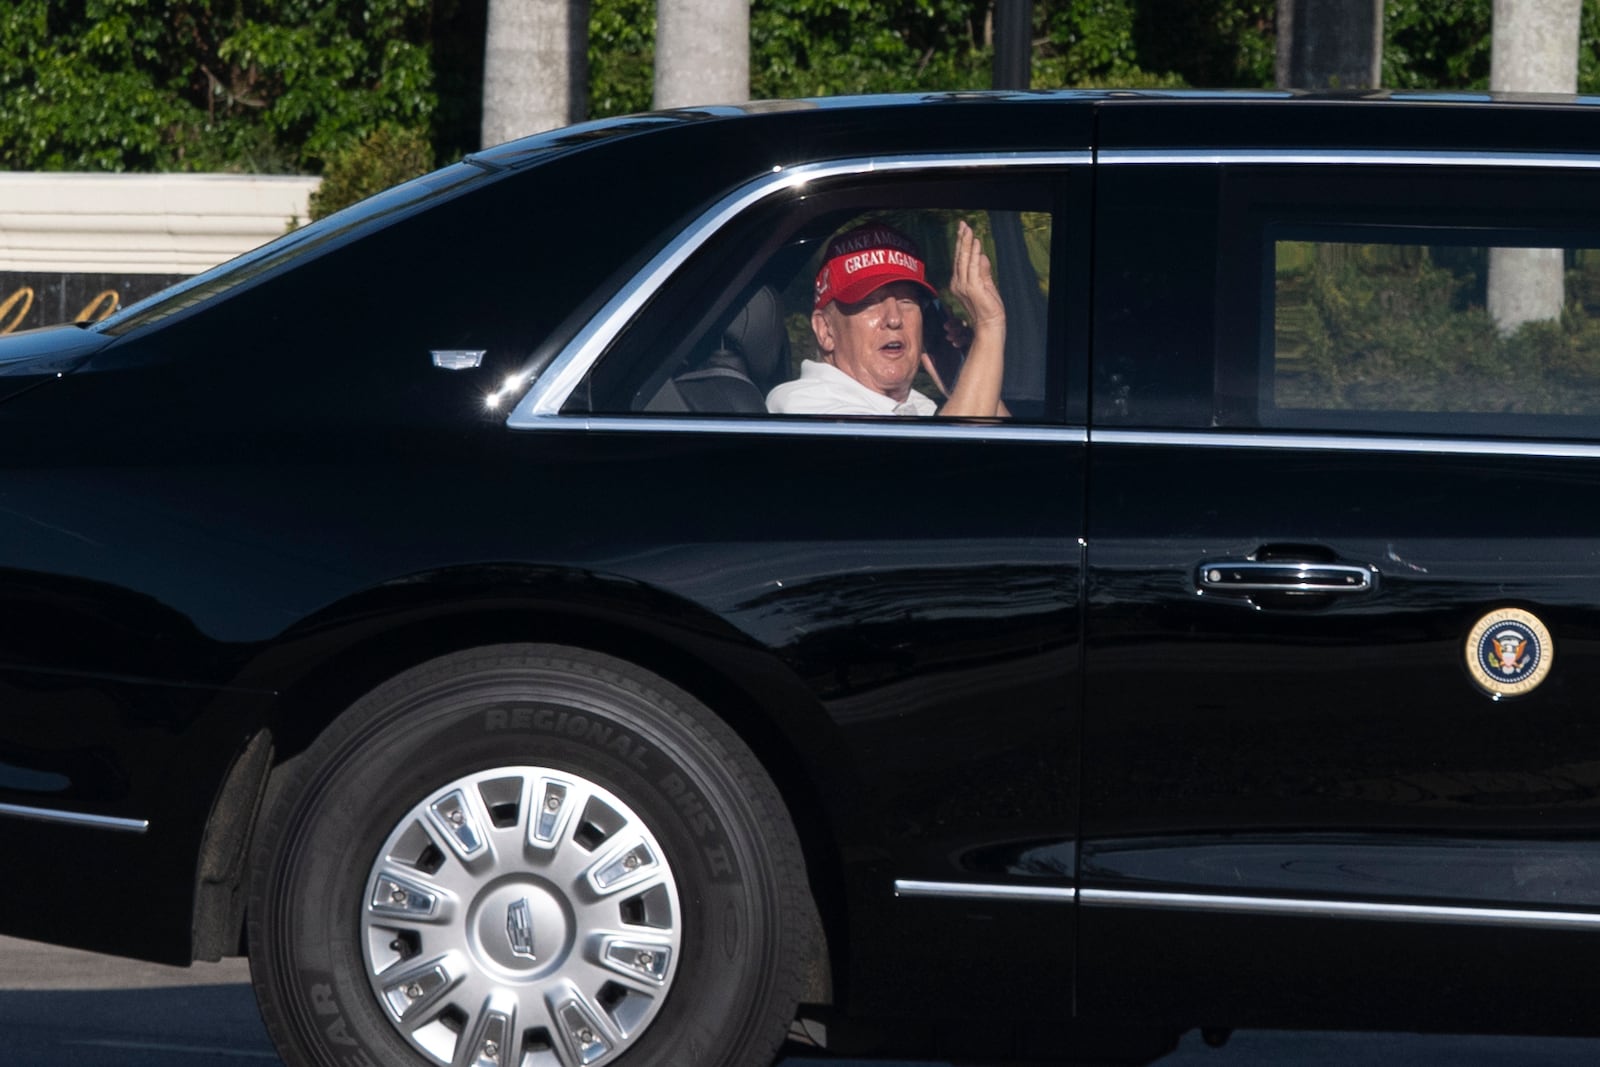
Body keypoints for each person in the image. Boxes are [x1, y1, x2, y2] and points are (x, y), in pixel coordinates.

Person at [765, 219, 1007, 417]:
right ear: (825, 330)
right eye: (870, 303)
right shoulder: (803, 404)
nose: (894, 319)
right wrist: (990, 325)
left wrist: (963, 371)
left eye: (907, 301)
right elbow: (941, 464)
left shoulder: (919, 406)